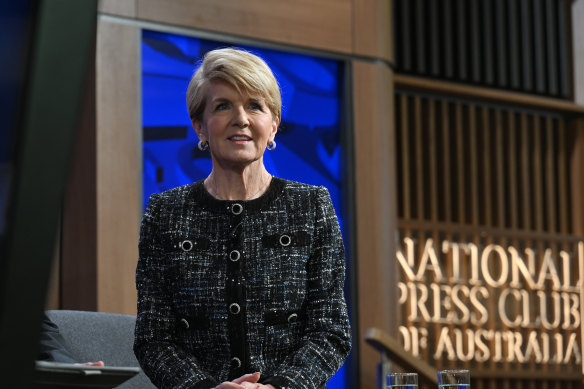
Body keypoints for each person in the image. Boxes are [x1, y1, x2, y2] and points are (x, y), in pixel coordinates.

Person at [134, 48, 351, 389]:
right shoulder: (165, 213)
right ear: (200, 127)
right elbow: (153, 338)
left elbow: (331, 330)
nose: (241, 118)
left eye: (255, 105)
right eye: (223, 106)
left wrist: (279, 386)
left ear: (274, 124)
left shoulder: (312, 207)